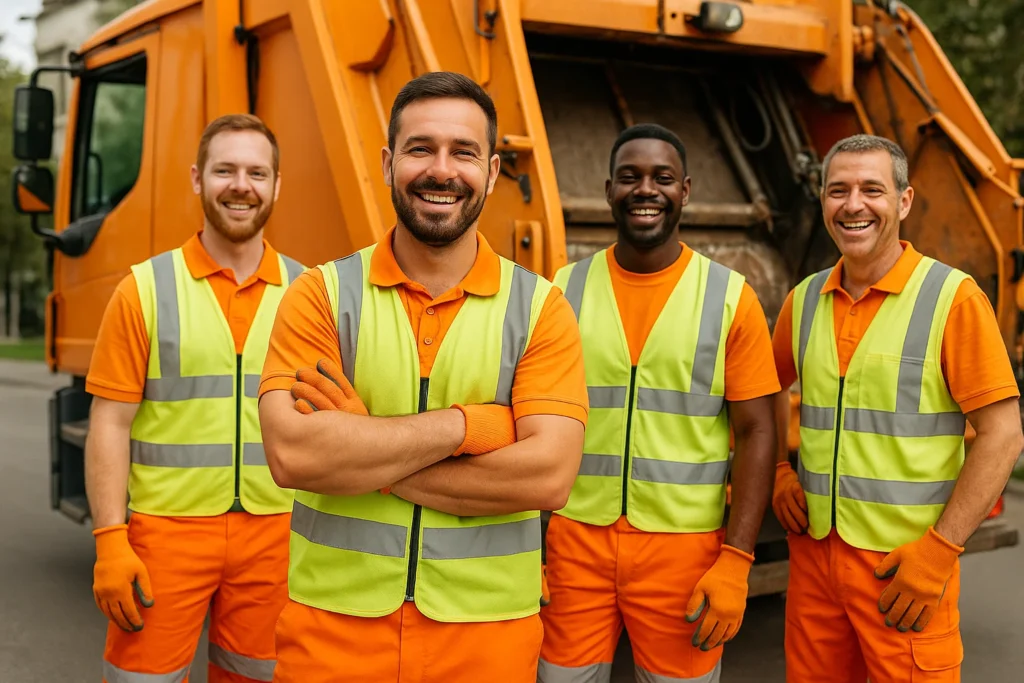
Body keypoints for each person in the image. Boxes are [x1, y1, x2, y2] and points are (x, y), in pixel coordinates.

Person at [256, 71, 588, 683]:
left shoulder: (540, 307)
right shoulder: (320, 296)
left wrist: (363, 446)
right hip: (333, 626)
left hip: (486, 635)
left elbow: (549, 475)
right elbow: (294, 456)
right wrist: (469, 426)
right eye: (420, 148)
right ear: (387, 164)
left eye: (463, 152)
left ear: (491, 172)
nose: (442, 170)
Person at [771, 133, 1024, 682]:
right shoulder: (804, 301)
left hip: (904, 573)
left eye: (872, 189)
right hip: (816, 565)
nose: (853, 204)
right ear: (822, 202)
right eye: (838, 190)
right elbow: (765, 390)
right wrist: (776, 471)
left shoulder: (952, 299)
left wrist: (938, 553)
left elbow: (1003, 435)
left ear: (904, 202)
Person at [537, 123, 779, 683]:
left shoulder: (728, 296)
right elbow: (531, 418)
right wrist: (530, 542)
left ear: (686, 190)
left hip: (684, 553)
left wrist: (738, 562)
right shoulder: (562, 292)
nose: (646, 189)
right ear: (608, 191)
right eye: (630, 177)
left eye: (662, 178)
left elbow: (757, 431)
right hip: (575, 540)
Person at [84, 113, 306, 683]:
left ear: (278, 186)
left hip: (278, 536)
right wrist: (110, 539)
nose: (241, 185)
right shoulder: (144, 290)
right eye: (224, 170)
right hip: (165, 535)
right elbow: (109, 422)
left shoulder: (310, 295)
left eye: (257, 172)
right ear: (196, 179)